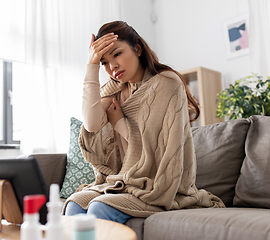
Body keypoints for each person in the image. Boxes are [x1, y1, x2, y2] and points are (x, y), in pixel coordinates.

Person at [63, 21, 225, 224]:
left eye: (117, 54)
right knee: (75, 203)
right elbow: (91, 124)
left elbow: (159, 150)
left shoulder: (166, 83)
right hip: (124, 181)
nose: (112, 66)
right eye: (104, 62)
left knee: (99, 207)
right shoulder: (114, 89)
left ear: (137, 49)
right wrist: (91, 66)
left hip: (155, 183)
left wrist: (120, 122)